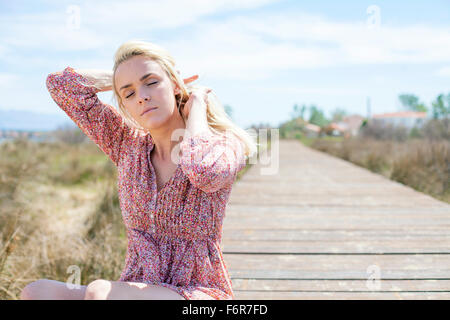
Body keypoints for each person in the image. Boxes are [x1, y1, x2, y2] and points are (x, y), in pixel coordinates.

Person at [20, 40, 257, 300]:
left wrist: (197, 106)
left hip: (197, 294)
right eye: (129, 93)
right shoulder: (126, 144)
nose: (142, 96)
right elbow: (61, 85)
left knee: (100, 291)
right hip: (133, 288)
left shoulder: (223, 144)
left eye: (152, 82)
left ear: (176, 85)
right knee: (37, 292)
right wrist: (120, 77)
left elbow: (204, 172)